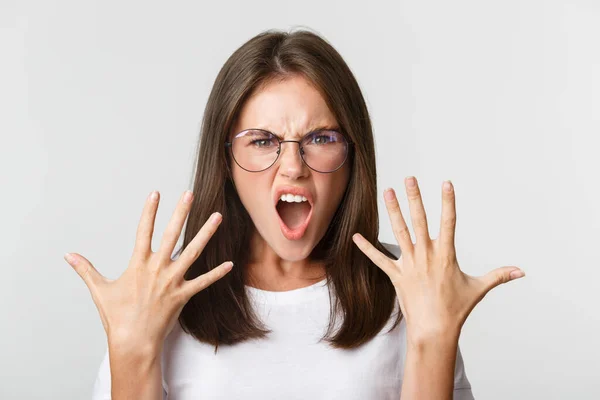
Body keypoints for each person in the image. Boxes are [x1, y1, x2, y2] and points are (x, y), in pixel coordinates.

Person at [65, 28, 525, 400]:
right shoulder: (161, 297)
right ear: (226, 161)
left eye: (321, 138)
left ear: (352, 157)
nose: (292, 167)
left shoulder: (410, 289)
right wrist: (130, 347)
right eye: (261, 140)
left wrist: (434, 338)